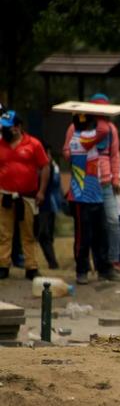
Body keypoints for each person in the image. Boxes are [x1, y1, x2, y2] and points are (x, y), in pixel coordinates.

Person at [63, 94, 120, 273]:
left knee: (108, 225)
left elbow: (115, 155)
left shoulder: (109, 129)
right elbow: (66, 151)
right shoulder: (75, 130)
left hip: (104, 184)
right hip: (83, 187)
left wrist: (116, 178)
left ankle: (109, 263)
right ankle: (83, 267)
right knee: (84, 231)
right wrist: (74, 154)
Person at [0, 110, 50, 280]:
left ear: (18, 127)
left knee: (28, 232)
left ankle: (31, 266)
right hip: (4, 194)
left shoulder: (34, 144)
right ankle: (3, 265)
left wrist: (42, 191)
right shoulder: (0, 144)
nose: (4, 130)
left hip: (27, 196)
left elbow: (45, 166)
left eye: (7, 127)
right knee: (4, 232)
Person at [36, 144, 63, 270]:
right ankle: (53, 262)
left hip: (47, 205)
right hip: (48, 205)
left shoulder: (50, 166)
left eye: (49, 154)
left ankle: (53, 263)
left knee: (44, 235)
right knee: (45, 235)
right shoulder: (52, 166)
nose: (48, 157)